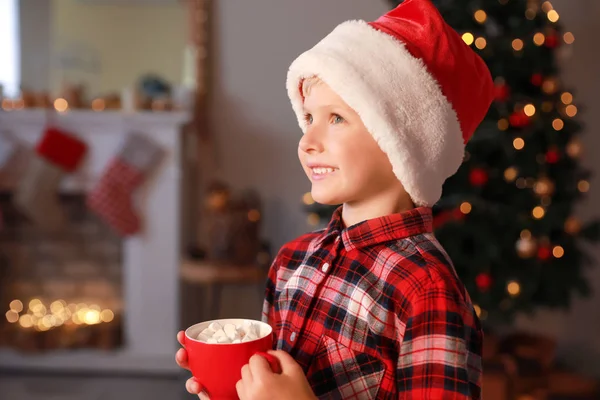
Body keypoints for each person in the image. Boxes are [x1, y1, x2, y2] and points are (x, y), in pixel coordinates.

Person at [176, 0, 494, 398]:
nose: (307, 142)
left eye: (336, 119)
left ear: (402, 142)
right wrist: (230, 384)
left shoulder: (426, 290)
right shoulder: (291, 262)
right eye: (308, 118)